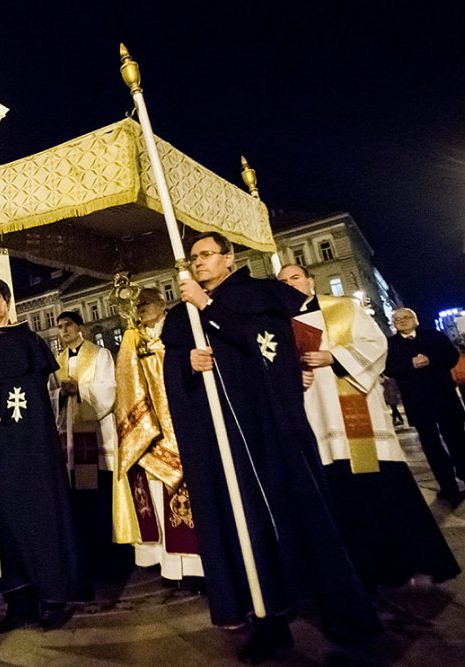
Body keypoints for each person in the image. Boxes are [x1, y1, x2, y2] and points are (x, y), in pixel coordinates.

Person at [161, 232, 380, 662]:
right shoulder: (182, 314)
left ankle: (340, 613)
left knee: (306, 518)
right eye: (193, 258)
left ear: (230, 258)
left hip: (271, 435)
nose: (199, 263)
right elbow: (175, 371)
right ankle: (268, 620)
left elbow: (271, 350)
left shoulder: (260, 294)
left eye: (207, 255)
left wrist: (210, 309)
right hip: (224, 441)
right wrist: (187, 363)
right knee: (244, 527)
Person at [277, 264, 458, 588]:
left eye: (295, 277)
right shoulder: (278, 323)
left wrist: (333, 357)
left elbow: (377, 345)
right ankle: (361, 569)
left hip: (357, 413)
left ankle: (410, 561)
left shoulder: (343, 307)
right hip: (317, 418)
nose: (289, 283)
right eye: (283, 281)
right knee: (339, 495)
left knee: (385, 488)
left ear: (310, 280)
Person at [0, 277, 87, 635]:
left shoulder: (26, 340)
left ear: (7, 303)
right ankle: (18, 602)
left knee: (36, 520)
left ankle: (52, 599)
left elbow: (32, 396)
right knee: (1, 525)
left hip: (25, 452)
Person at [115, 288, 203, 582]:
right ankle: (171, 568)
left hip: (185, 421)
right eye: (137, 306)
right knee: (158, 499)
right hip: (153, 431)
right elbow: (127, 382)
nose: (141, 309)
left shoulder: (180, 327)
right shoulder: (133, 339)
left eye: (146, 304)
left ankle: (199, 568)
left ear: (162, 304)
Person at [51, 310, 128, 569]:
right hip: (69, 438)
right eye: (60, 326)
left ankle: (109, 555)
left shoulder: (99, 354)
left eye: (69, 325)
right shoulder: (56, 362)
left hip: (97, 438)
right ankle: (84, 553)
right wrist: (60, 395)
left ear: (80, 327)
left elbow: (109, 389)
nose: (64, 330)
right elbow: (49, 396)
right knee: (76, 498)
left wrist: (80, 389)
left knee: (100, 495)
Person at [385, 307, 465, 505]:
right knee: (431, 445)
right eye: (397, 319)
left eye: (406, 317)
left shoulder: (433, 335)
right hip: (417, 401)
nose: (402, 321)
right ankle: (448, 487)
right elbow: (388, 368)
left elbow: (451, 357)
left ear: (416, 320)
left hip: (444, 396)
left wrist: (431, 360)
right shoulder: (389, 344)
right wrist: (410, 364)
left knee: (457, 438)